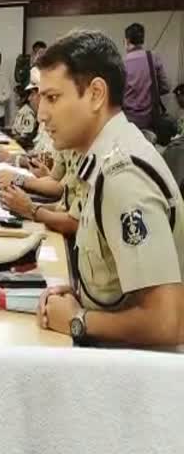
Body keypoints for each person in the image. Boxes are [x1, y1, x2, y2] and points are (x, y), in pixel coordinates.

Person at [34, 30, 184, 347]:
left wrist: (79, 320)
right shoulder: (106, 158)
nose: (41, 114)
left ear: (96, 94)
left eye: (52, 98)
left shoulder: (122, 177)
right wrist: (84, 297)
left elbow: (166, 322)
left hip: (135, 378)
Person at [122, 22, 170, 131]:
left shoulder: (122, 63)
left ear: (127, 40)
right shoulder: (153, 57)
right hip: (151, 120)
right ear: (142, 40)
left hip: (129, 121)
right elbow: (166, 87)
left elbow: (117, 95)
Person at [9, 68, 41, 148]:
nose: (29, 98)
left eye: (33, 94)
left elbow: (26, 138)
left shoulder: (28, 114)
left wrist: (9, 137)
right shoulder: (21, 111)